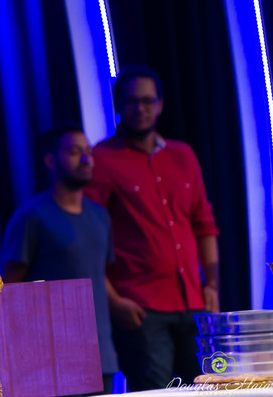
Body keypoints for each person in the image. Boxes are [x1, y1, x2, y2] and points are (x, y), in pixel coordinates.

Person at [83, 65, 220, 391]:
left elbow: (204, 225)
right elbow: (88, 240)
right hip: (140, 308)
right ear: (118, 105)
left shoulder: (182, 155)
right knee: (156, 393)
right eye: (132, 101)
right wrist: (114, 302)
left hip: (193, 302)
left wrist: (212, 285)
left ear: (160, 104)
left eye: (148, 101)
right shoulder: (102, 159)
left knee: (204, 389)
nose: (140, 108)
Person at [0, 126, 119, 394]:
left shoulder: (100, 216)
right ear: (50, 160)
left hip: (101, 355)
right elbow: (10, 288)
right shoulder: (32, 217)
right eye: (75, 152)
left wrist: (121, 306)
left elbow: (97, 274)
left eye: (89, 152)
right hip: (52, 359)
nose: (86, 159)